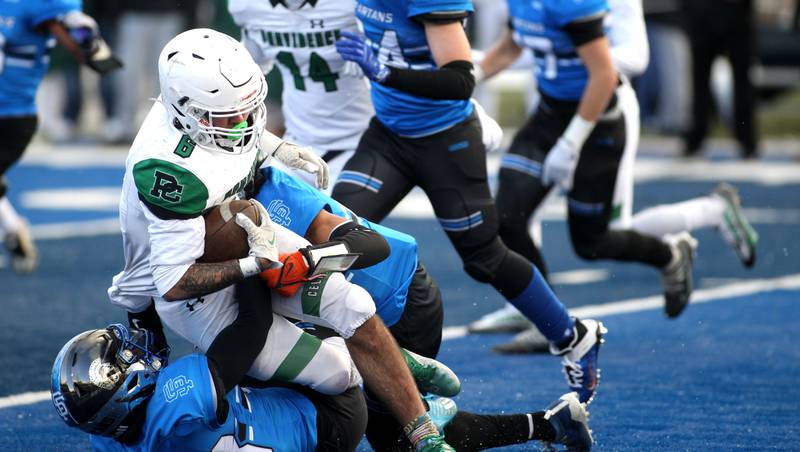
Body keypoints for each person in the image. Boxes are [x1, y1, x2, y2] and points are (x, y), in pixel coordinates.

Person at [108, 28, 455, 450]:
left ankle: (425, 435)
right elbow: (173, 281)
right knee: (339, 373)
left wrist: (275, 149)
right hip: (194, 293)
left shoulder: (212, 125)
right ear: (185, 112)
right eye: (228, 118)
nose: (245, 125)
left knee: (354, 303)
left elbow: (235, 130)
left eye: (249, 110)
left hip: (252, 241)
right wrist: (253, 266)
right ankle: (392, 364)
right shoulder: (167, 172)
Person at [330, 0, 606, 406]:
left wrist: (386, 71)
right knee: (333, 233)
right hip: (388, 135)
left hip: (445, 139)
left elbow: (461, 79)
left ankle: (572, 336)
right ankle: (344, 370)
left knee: (484, 256)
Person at [469, 0, 759, 346]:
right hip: (551, 111)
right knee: (507, 217)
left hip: (602, 114)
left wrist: (572, 138)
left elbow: (623, 63)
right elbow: (515, 44)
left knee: (595, 240)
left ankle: (680, 242)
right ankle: (542, 315)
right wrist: (464, 77)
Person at [51, 281, 595, 450]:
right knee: (300, 322)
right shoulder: (183, 395)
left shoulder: (112, 433)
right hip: (328, 415)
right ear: (129, 390)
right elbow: (250, 328)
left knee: (397, 436)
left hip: (286, 428)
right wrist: (252, 261)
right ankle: (405, 378)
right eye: (126, 361)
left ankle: (547, 425)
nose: (137, 352)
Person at [0, 1, 120, 272]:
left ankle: (12, 227)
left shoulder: (41, 4)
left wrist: (84, 35)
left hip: (11, 117)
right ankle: (12, 228)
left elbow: (86, 48)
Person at [228, 0, 374, 193]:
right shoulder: (250, 7)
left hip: (360, 143)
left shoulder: (351, 5)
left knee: (337, 220)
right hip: (296, 144)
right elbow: (252, 69)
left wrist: (375, 48)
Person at [682, 0, 758, 159]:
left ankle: (747, 140)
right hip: (704, 13)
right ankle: (696, 137)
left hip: (737, 11)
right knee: (699, 80)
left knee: (742, 81)